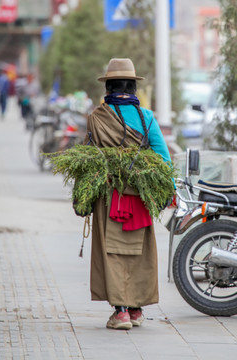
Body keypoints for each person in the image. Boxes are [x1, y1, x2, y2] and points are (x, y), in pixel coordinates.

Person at [84, 58, 173, 330]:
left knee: (112, 252)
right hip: (140, 196)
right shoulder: (146, 117)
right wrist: (169, 191)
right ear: (133, 87)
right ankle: (135, 310)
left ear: (109, 86)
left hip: (110, 195)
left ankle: (120, 312)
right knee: (139, 252)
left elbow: (88, 160)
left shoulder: (97, 117)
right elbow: (163, 157)